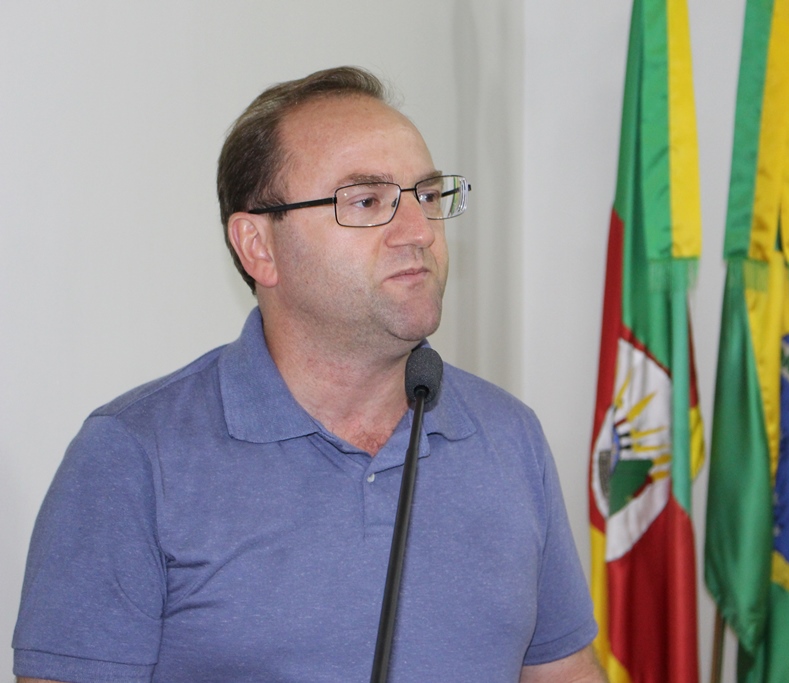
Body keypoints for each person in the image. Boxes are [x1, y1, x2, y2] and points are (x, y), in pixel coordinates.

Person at [13, 66, 604, 683]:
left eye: (428, 197)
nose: (419, 232)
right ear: (258, 246)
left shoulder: (510, 435)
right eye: (366, 201)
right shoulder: (133, 456)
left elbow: (563, 674)